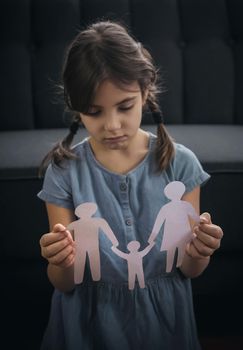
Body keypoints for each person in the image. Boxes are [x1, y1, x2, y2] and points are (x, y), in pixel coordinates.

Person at [38, 20, 223, 350]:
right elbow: (64, 283)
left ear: (145, 92)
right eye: (94, 112)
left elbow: (188, 269)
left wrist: (201, 252)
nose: (111, 125)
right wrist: (59, 260)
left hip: (163, 322)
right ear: (77, 109)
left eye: (125, 106)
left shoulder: (181, 164)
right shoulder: (64, 170)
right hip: (87, 323)